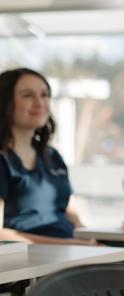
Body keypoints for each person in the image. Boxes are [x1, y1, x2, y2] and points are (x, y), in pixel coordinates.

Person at [0, 68, 93, 245]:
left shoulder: (53, 156)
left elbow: (73, 216)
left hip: (72, 250)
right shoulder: (3, 161)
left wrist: (90, 241)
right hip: (35, 262)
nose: (39, 102)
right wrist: (67, 245)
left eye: (44, 95)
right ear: (5, 101)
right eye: (28, 95)